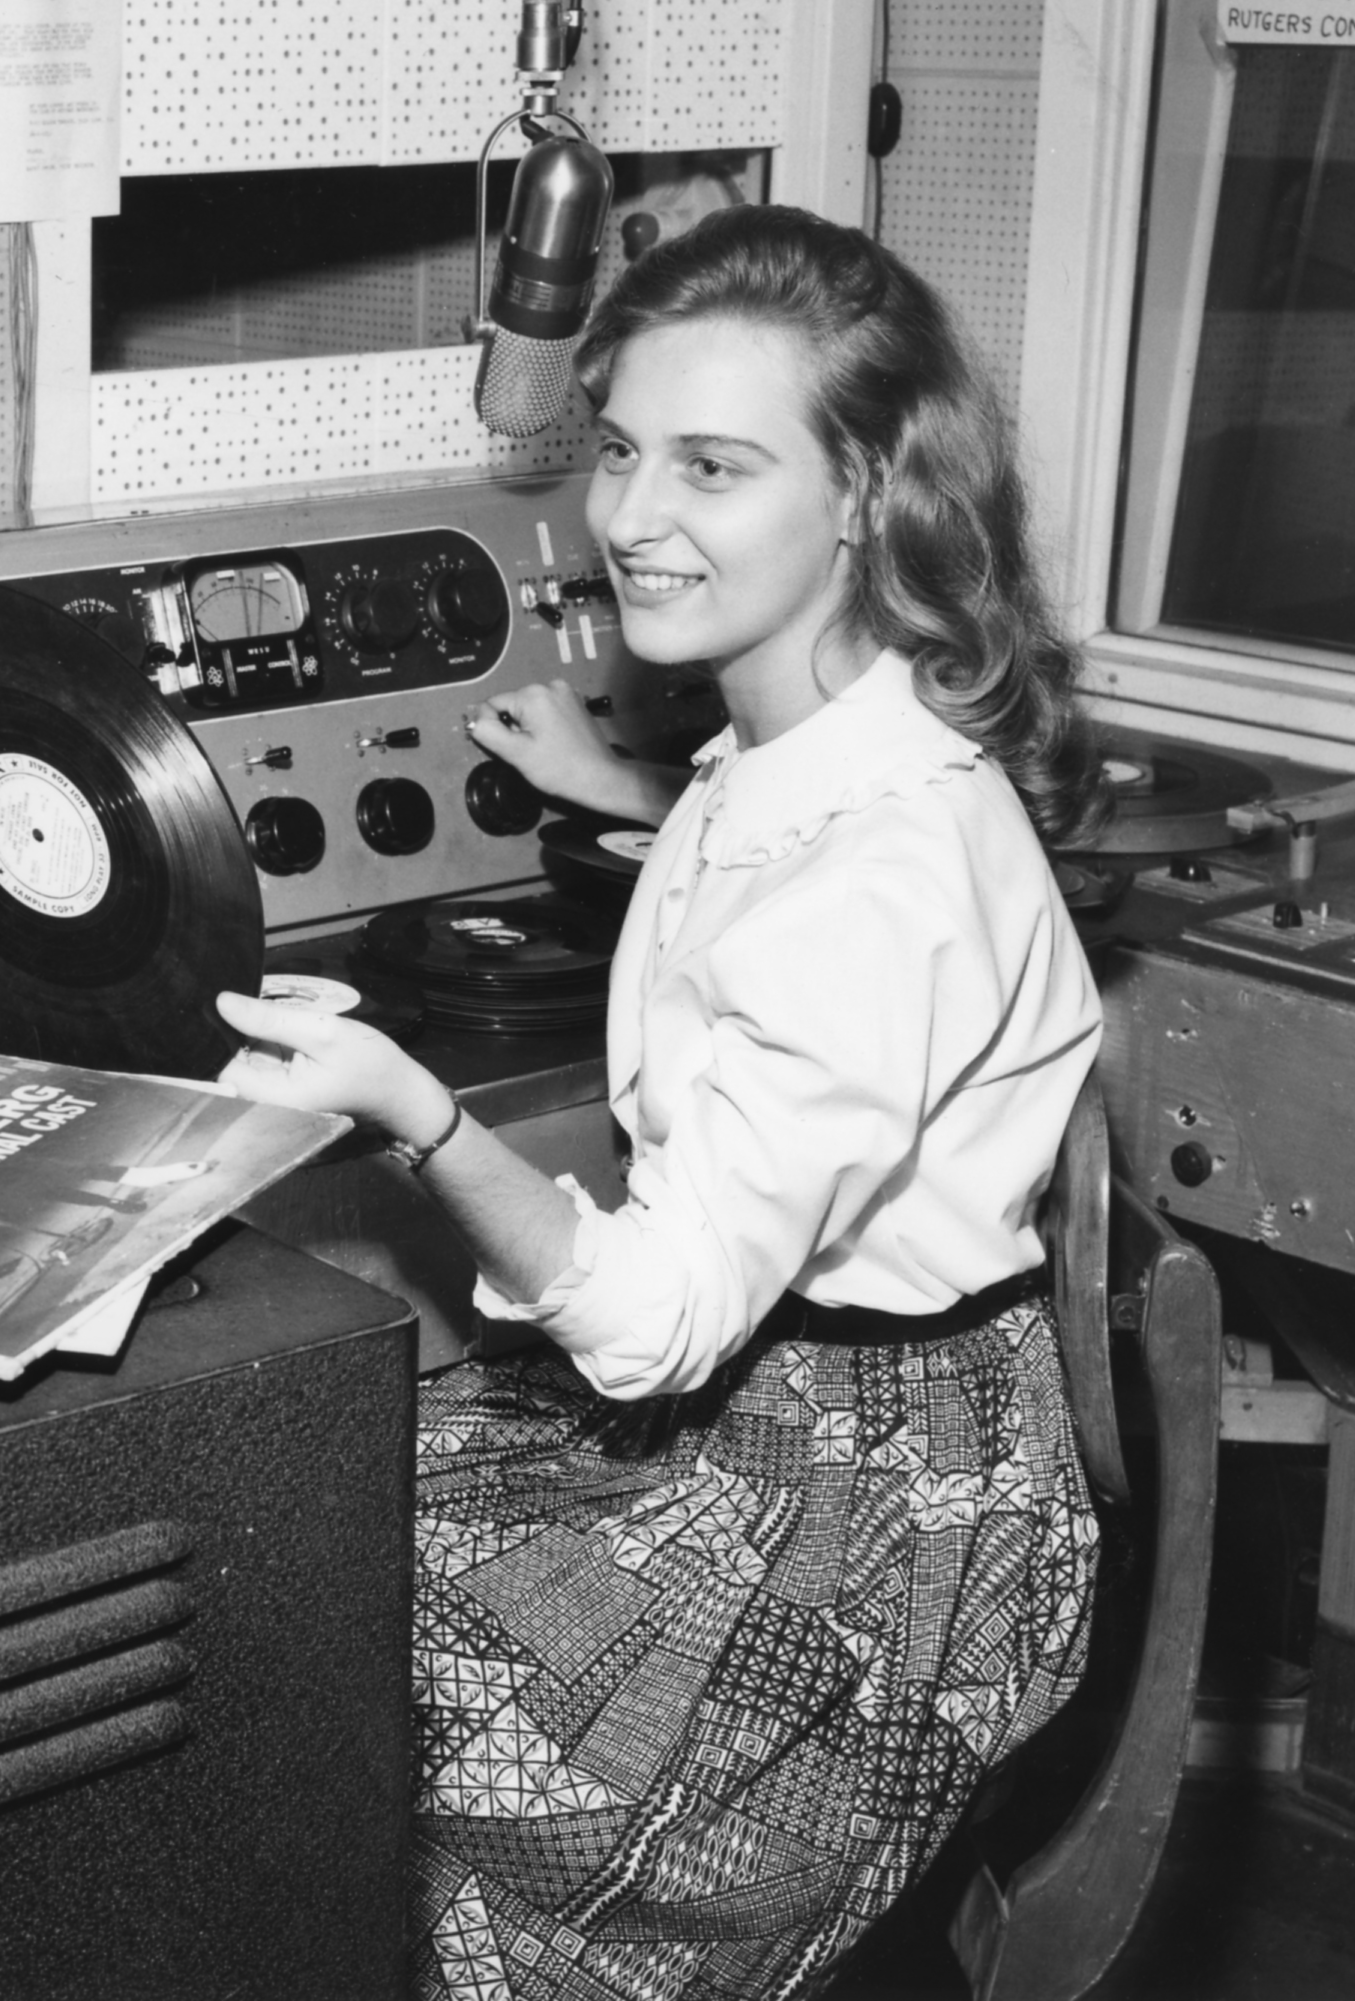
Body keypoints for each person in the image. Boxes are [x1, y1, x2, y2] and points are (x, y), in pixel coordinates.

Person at [220, 207, 1105, 1998]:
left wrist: (415, 1106)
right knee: (287, 1513)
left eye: (714, 464)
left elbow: (659, 1327)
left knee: (345, 1661)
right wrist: (623, 792)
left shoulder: (887, 861)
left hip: (883, 1522)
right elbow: (769, 884)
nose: (631, 516)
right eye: (621, 448)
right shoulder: (792, 741)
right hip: (785, 1406)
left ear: (866, 489)